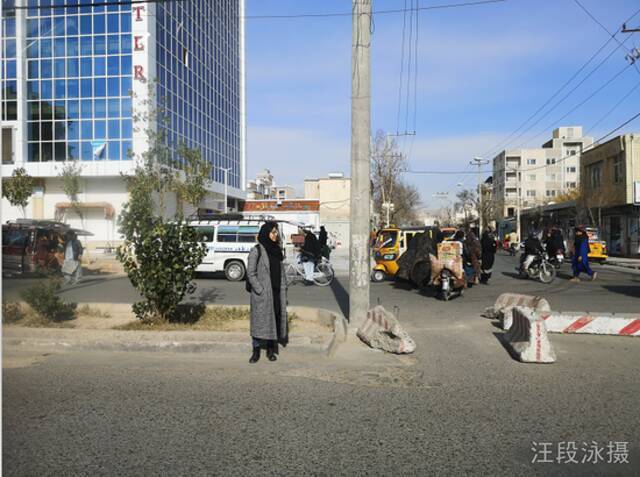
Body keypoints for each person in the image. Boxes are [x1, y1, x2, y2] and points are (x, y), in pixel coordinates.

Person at [246, 221, 288, 363]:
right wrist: (260, 289)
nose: (276, 235)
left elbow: (281, 271)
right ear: (266, 233)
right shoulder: (256, 250)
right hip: (263, 294)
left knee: (274, 321)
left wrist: (284, 287)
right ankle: (256, 351)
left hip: (276, 293)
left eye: (276, 232)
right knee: (259, 322)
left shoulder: (277, 250)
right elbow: (250, 273)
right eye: (273, 232)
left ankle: (270, 350)